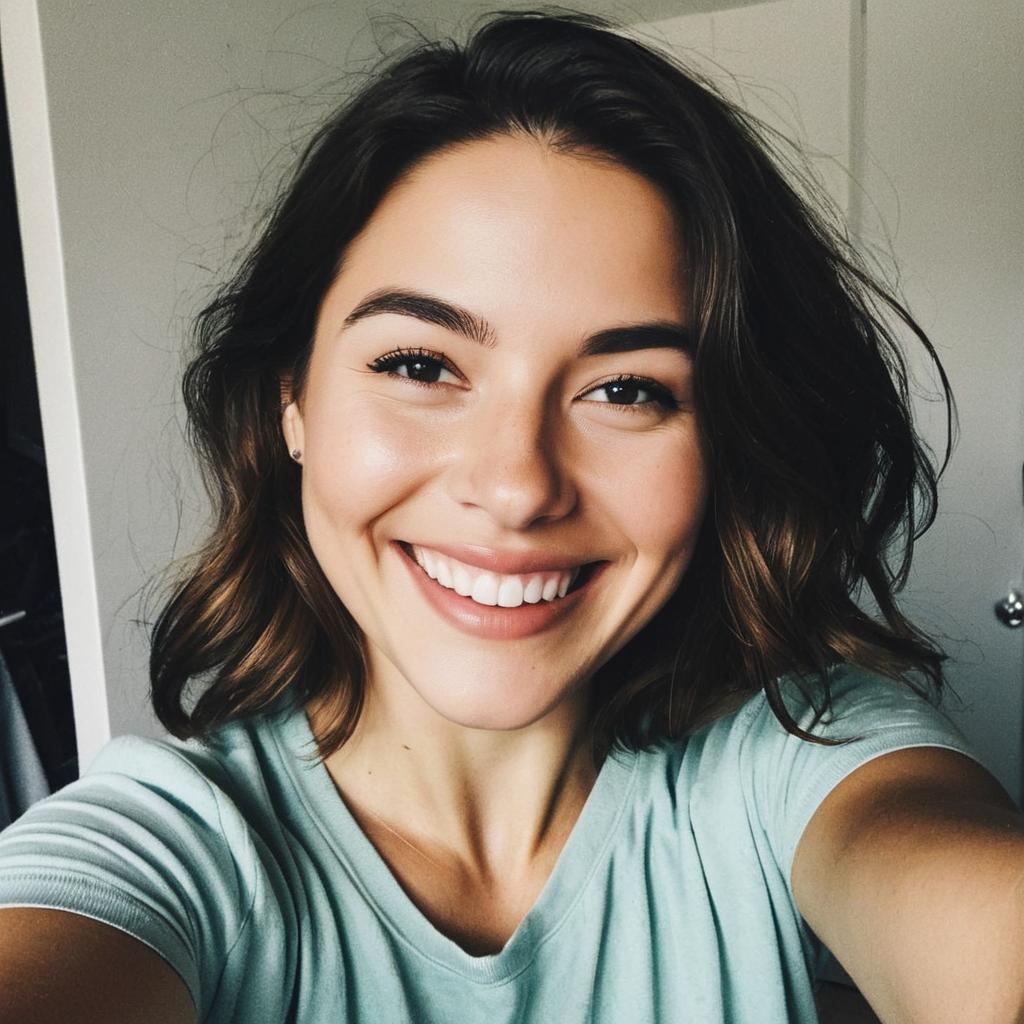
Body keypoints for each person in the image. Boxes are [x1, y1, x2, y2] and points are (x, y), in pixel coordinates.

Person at [0, 10, 1021, 1023]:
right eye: (420, 365)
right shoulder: (162, 851)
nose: (518, 486)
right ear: (291, 402)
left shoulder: (803, 750)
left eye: (628, 389)